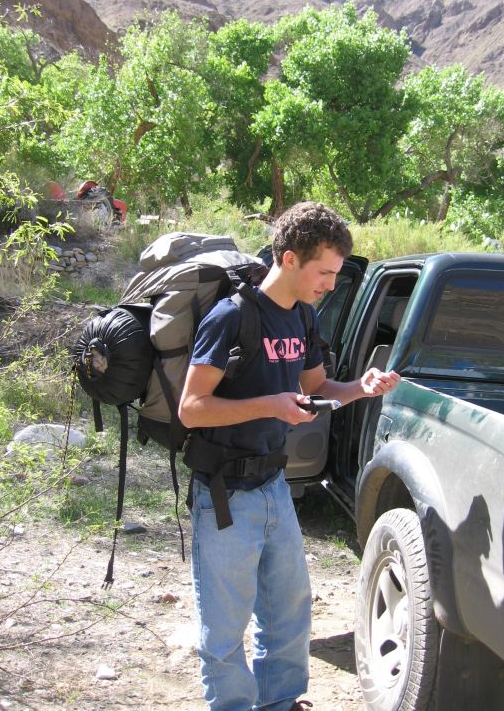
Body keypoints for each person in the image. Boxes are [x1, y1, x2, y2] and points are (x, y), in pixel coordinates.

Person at [178, 202, 400, 711]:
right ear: (289, 257)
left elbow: (318, 387)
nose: (328, 284)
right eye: (323, 272)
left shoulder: (302, 317)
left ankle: (281, 703)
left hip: (274, 485)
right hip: (225, 493)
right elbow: (192, 409)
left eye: (334, 274)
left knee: (289, 612)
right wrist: (271, 405)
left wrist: (361, 388)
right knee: (225, 625)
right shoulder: (231, 317)